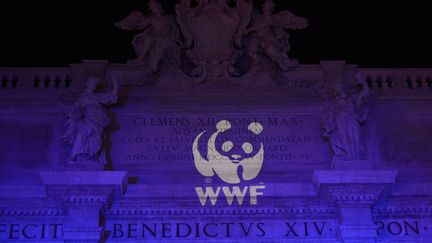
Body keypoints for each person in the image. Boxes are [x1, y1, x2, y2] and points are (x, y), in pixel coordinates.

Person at [62, 76, 118, 164]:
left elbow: (111, 97)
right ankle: (74, 154)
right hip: (87, 121)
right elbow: (74, 109)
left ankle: (92, 156)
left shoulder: (98, 97)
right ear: (87, 85)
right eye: (91, 83)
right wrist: (68, 112)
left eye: (94, 84)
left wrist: (115, 84)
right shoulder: (82, 98)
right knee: (82, 133)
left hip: (98, 122)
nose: (93, 86)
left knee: (96, 140)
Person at [320, 74, 370, 166]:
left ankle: (355, 159)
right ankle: (345, 158)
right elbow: (327, 116)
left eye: (337, 87)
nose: (336, 89)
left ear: (342, 87)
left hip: (351, 120)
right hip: (339, 123)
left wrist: (362, 82)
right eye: (335, 88)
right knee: (342, 140)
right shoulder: (333, 103)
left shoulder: (352, 98)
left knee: (354, 138)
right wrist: (329, 127)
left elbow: (365, 96)